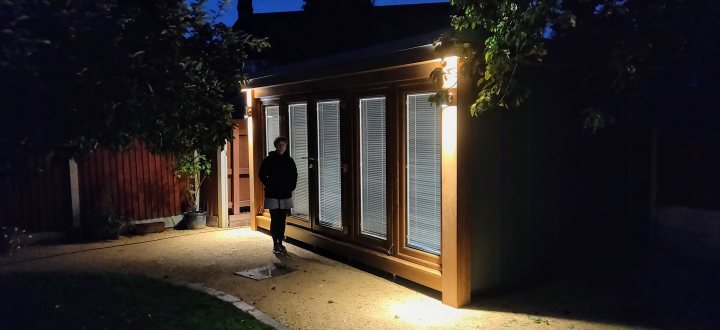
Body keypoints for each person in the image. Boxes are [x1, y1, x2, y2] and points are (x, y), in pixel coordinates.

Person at [258, 136, 297, 254]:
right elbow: (261, 174)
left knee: (282, 219)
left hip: (285, 194)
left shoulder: (289, 161)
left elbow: (294, 176)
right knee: (275, 219)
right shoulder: (269, 159)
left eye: (283, 145)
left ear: (286, 146)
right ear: (276, 146)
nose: (281, 147)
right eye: (279, 145)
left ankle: (280, 242)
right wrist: (269, 184)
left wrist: (291, 187)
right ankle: (275, 243)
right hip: (272, 194)